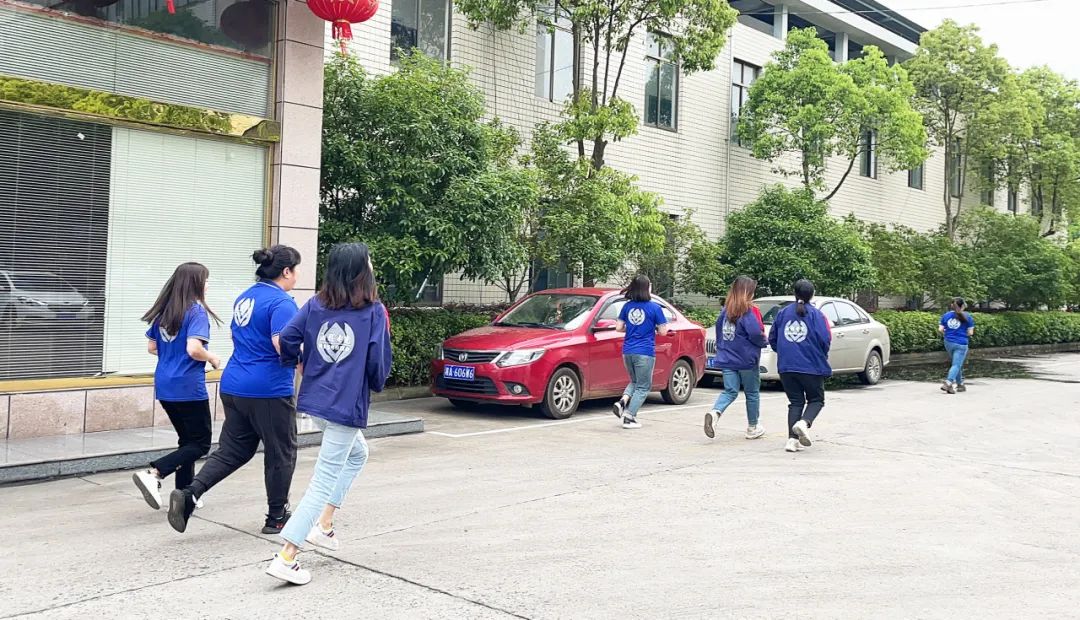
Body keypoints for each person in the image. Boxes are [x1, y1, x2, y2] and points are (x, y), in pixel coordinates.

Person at [265, 242, 392, 585]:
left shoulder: (316, 304)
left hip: (315, 400)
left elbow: (288, 338)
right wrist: (372, 385)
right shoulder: (373, 311)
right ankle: (287, 555)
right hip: (345, 405)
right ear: (361, 271)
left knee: (358, 454)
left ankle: (324, 524)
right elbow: (378, 362)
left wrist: (298, 362)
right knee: (323, 480)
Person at [167, 246, 302, 535]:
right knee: (281, 452)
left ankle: (190, 494)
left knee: (234, 450)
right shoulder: (282, 303)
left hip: (234, 384)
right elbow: (282, 344)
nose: (297, 275)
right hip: (268, 389)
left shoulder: (245, 297)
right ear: (286, 271)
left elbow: (237, 335)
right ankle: (277, 516)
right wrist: (305, 361)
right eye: (296, 270)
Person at [132, 262, 221, 511]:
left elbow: (152, 347)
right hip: (188, 386)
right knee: (200, 444)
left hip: (165, 384)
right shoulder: (196, 312)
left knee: (187, 441)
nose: (208, 284)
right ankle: (155, 473)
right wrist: (212, 358)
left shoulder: (165, 312)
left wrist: (172, 356)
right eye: (205, 280)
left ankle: (184, 493)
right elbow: (194, 349)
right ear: (195, 283)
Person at [768, 279, 832, 453]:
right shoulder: (817, 315)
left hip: (787, 366)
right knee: (816, 400)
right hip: (811, 366)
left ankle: (792, 440)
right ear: (812, 295)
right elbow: (825, 339)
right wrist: (820, 355)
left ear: (794, 293)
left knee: (795, 402)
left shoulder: (782, 313)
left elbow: (772, 338)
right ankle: (804, 423)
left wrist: (784, 352)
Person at [704, 276, 767, 440]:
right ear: (748, 292)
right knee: (752, 393)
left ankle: (715, 412)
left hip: (727, 358)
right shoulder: (750, 311)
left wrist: (722, 350)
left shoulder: (725, 311)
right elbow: (755, 333)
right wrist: (764, 342)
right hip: (746, 360)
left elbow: (719, 333)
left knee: (730, 391)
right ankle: (753, 427)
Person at [611, 274, 668, 430]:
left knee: (635, 381)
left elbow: (618, 328)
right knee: (643, 387)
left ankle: (622, 401)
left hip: (627, 350)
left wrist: (632, 328)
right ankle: (629, 417)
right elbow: (663, 332)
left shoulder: (627, 306)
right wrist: (652, 328)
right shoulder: (655, 308)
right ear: (646, 288)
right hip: (645, 351)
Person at [939, 297, 974, 394]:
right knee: (956, 364)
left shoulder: (946, 315)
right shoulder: (968, 316)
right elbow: (970, 333)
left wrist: (948, 333)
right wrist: (962, 334)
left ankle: (960, 384)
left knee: (956, 364)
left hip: (948, 342)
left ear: (952, 306)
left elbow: (940, 329)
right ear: (963, 306)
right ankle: (948, 382)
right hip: (961, 343)